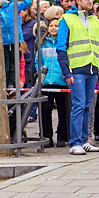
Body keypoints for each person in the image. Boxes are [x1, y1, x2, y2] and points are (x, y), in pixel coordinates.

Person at [56, 0, 99, 156]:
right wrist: (66, 72)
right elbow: (61, 47)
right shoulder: (67, 19)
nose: (90, 2)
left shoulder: (95, 20)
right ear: (78, 1)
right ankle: (75, 142)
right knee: (78, 105)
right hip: (76, 68)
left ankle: (84, 140)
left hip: (92, 67)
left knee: (86, 105)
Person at [38, 16, 70, 147]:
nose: (53, 28)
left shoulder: (64, 43)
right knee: (46, 110)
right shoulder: (43, 43)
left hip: (61, 81)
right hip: (46, 82)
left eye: (56, 26)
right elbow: (38, 61)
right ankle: (47, 137)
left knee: (63, 110)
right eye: (51, 25)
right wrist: (40, 76)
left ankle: (62, 136)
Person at [0, 0, 32, 88]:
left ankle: (12, 84)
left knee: (14, 63)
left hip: (15, 40)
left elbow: (28, 2)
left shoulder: (12, 6)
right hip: (2, 42)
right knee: (5, 64)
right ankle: (4, 83)